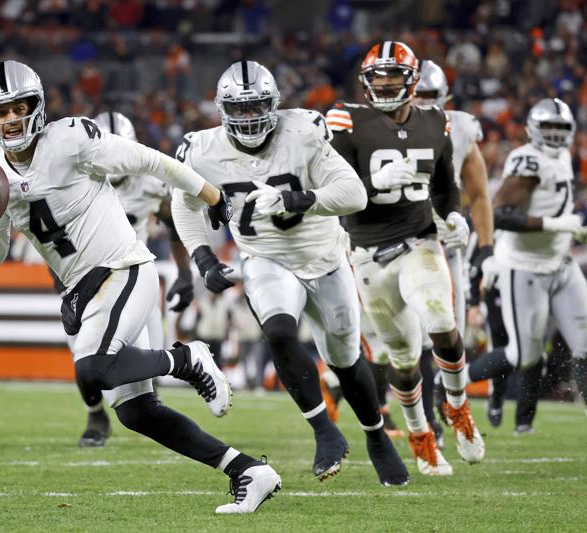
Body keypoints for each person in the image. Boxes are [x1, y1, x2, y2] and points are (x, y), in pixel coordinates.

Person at [0, 60, 280, 513]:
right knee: (135, 412)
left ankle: (186, 358)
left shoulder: (69, 138)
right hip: (81, 288)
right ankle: (248, 471)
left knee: (92, 369)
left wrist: (210, 193)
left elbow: (148, 159)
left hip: (121, 268)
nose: (11, 119)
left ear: (37, 105)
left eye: (20, 106)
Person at [171, 60, 408, 486]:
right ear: (222, 109)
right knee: (278, 331)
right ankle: (324, 431)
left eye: (256, 106)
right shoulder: (202, 150)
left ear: (274, 104)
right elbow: (182, 205)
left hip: (326, 255)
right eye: (238, 109)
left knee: (345, 357)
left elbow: (353, 194)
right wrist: (203, 259)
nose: (248, 117)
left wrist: (294, 200)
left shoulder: (303, 131)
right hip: (266, 257)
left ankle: (376, 437)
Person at [327, 41, 485, 476]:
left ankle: (457, 406)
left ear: (411, 82)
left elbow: (446, 186)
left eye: (392, 77)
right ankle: (420, 435)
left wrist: (453, 214)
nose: (384, 84)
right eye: (377, 78)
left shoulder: (437, 123)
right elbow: (334, 192)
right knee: (401, 356)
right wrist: (373, 183)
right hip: (368, 254)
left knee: (439, 319)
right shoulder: (347, 120)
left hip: (420, 241)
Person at [362, 58, 495, 448]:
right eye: (421, 95)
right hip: (387, 242)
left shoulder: (459, 128)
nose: (424, 102)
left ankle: (448, 407)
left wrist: (483, 245)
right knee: (402, 341)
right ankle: (418, 420)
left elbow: (481, 193)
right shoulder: (373, 126)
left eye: (434, 97)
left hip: (441, 242)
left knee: (447, 329)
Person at [71, 110, 196, 448]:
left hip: (133, 278)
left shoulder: (149, 181)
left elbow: (173, 223)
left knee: (151, 362)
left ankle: (150, 412)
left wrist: (185, 273)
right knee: (85, 364)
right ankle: (96, 415)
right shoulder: (75, 182)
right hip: (86, 283)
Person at [463, 98, 587, 428]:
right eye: (548, 127)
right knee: (523, 356)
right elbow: (499, 215)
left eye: (561, 128)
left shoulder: (562, 155)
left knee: (585, 345)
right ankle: (453, 382)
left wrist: (570, 230)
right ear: (533, 128)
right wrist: (555, 225)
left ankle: (526, 420)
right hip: (525, 267)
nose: (555, 135)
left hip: (561, 262)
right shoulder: (527, 160)